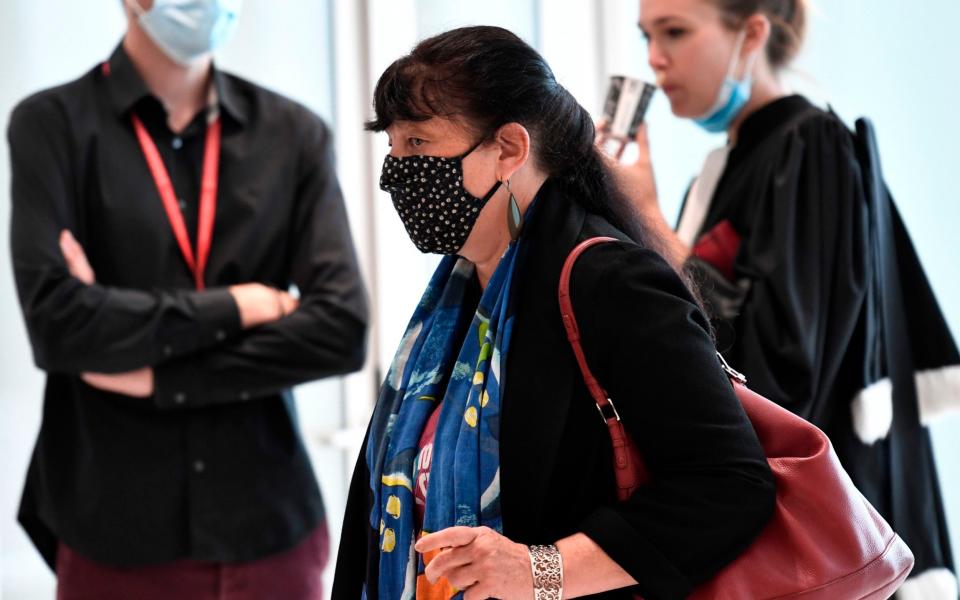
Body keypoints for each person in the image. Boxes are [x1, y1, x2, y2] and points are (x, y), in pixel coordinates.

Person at [332, 25, 775, 600]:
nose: (396, 173)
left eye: (418, 144)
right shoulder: (457, 299)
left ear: (509, 149)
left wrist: (541, 570)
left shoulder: (610, 282)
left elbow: (729, 485)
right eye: (391, 147)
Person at [7, 1, 368, 598]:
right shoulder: (51, 125)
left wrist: (155, 376)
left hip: (270, 525)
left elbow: (341, 329)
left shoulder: (294, 133)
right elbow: (59, 326)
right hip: (114, 530)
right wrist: (244, 306)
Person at [605, 0, 960, 596]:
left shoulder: (809, 148)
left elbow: (785, 374)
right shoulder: (725, 170)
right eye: (646, 36)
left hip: (831, 552)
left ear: (752, 34)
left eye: (675, 32)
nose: (654, 58)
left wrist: (649, 224)